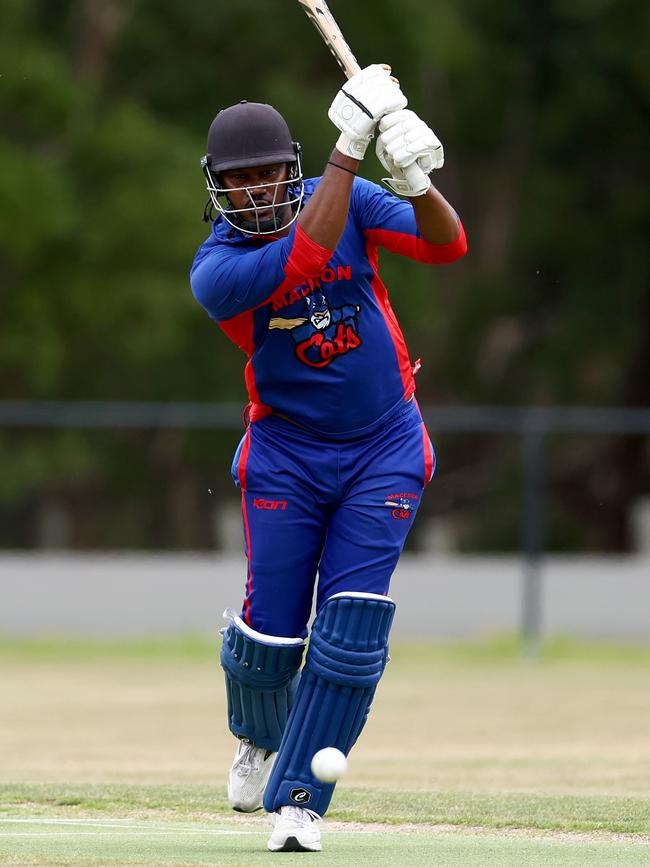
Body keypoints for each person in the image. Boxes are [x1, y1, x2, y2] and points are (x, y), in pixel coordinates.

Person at [190, 64, 467, 853]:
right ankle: (256, 734)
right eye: (239, 180)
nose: (257, 189)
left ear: (293, 165)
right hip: (286, 453)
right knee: (272, 639)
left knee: (349, 628)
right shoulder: (215, 270)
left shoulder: (349, 200)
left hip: (385, 443)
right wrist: (351, 147)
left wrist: (415, 180)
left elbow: (448, 246)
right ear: (217, 187)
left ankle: (303, 801)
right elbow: (302, 263)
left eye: (272, 172)